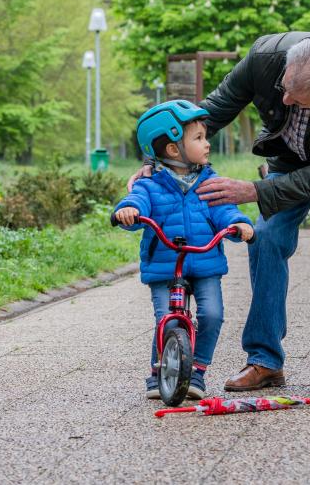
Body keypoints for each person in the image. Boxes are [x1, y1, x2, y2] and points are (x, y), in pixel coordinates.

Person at [129, 32, 310, 393]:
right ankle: (265, 360)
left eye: (298, 100)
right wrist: (157, 161)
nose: (285, 99)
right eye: (285, 89)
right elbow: (209, 113)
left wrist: (255, 190)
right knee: (267, 235)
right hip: (291, 154)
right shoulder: (264, 58)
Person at [114, 99, 254, 400]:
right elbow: (136, 202)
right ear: (173, 149)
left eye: (205, 137)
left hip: (204, 262)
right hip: (165, 265)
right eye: (199, 138)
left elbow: (224, 211)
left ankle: (198, 372)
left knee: (213, 314)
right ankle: (158, 372)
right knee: (167, 318)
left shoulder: (210, 182)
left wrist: (239, 224)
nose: (207, 144)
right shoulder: (149, 184)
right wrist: (128, 210)